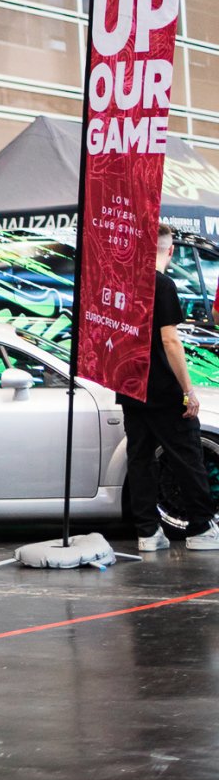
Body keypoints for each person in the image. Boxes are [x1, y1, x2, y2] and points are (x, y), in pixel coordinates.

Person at [123, 222, 219, 554]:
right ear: (171, 251)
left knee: (140, 459)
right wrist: (188, 390)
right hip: (164, 389)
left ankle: (147, 533)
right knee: (187, 455)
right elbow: (170, 341)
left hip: (130, 385)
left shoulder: (125, 284)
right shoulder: (162, 285)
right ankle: (201, 528)